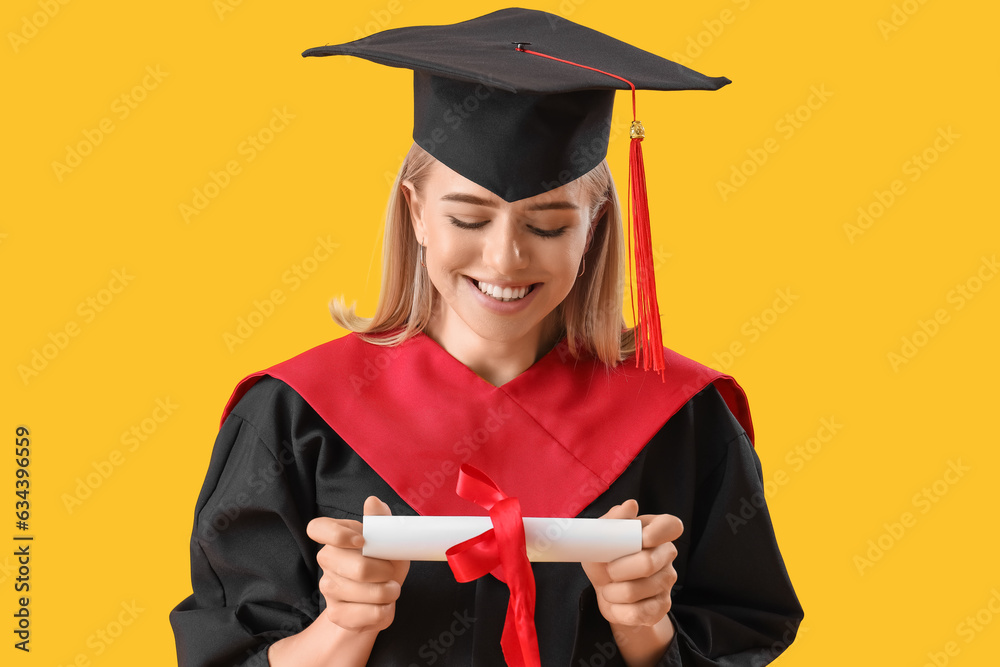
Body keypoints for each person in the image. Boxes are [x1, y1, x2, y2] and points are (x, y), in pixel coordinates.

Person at [170, 8, 803, 667]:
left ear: (595, 228)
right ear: (416, 213)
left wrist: (646, 632)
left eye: (550, 226)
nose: (504, 260)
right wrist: (341, 630)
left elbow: (744, 636)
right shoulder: (293, 417)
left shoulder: (683, 420)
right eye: (468, 217)